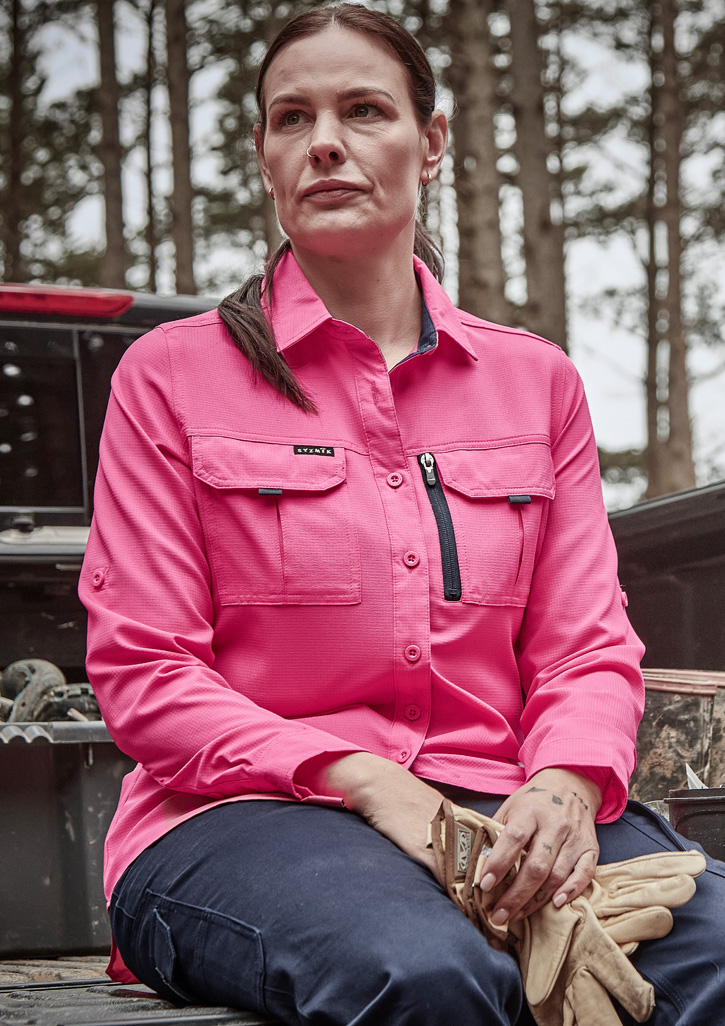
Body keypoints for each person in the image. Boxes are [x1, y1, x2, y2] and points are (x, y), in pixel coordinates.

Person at [79, 4, 725, 1025]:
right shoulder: (168, 378)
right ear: (264, 155)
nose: (324, 141)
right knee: (427, 976)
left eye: (363, 110)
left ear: (429, 143)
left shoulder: (535, 383)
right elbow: (147, 672)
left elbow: (583, 648)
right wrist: (373, 783)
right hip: (240, 815)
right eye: (292, 118)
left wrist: (563, 786)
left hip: (500, 800)